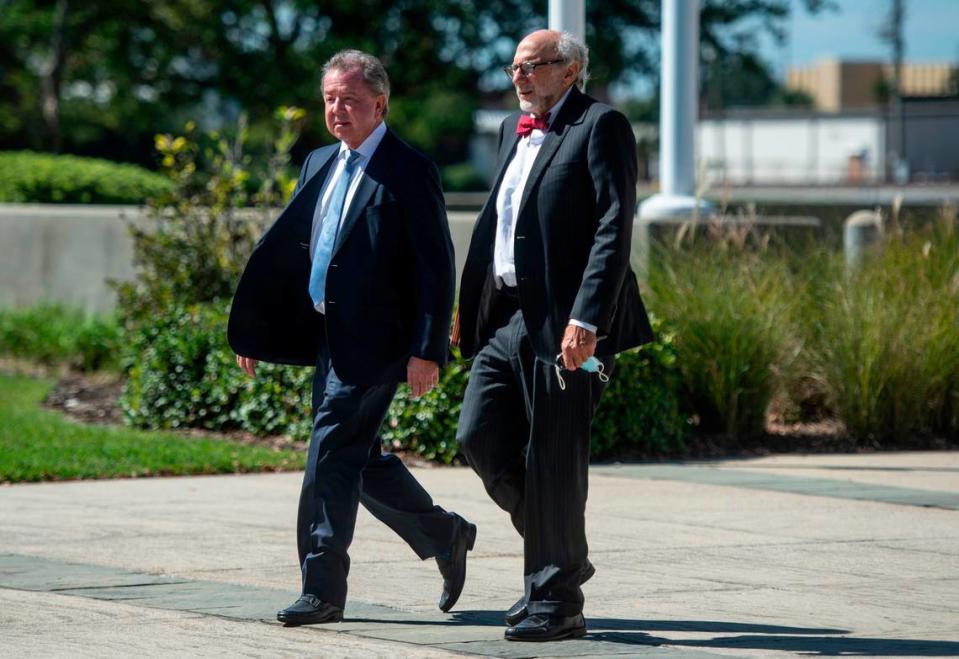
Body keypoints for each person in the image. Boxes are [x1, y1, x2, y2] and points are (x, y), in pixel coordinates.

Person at [228, 49, 475, 626]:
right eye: (330, 99)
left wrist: (427, 349)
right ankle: (445, 533)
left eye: (351, 100)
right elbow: (297, 252)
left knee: (328, 455)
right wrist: (258, 328)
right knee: (355, 460)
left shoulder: (410, 169)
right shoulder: (318, 161)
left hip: (380, 343)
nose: (338, 109)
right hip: (328, 338)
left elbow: (436, 266)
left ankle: (322, 588)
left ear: (380, 104)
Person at [453, 30, 654, 642]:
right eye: (514, 66)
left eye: (532, 66)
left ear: (569, 71)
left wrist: (588, 318)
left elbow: (614, 227)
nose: (518, 76)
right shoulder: (509, 133)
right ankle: (557, 554)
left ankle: (557, 599)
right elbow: (498, 228)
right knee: (478, 437)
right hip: (508, 318)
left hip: (569, 325)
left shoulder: (601, 125)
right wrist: (471, 304)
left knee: (555, 459)